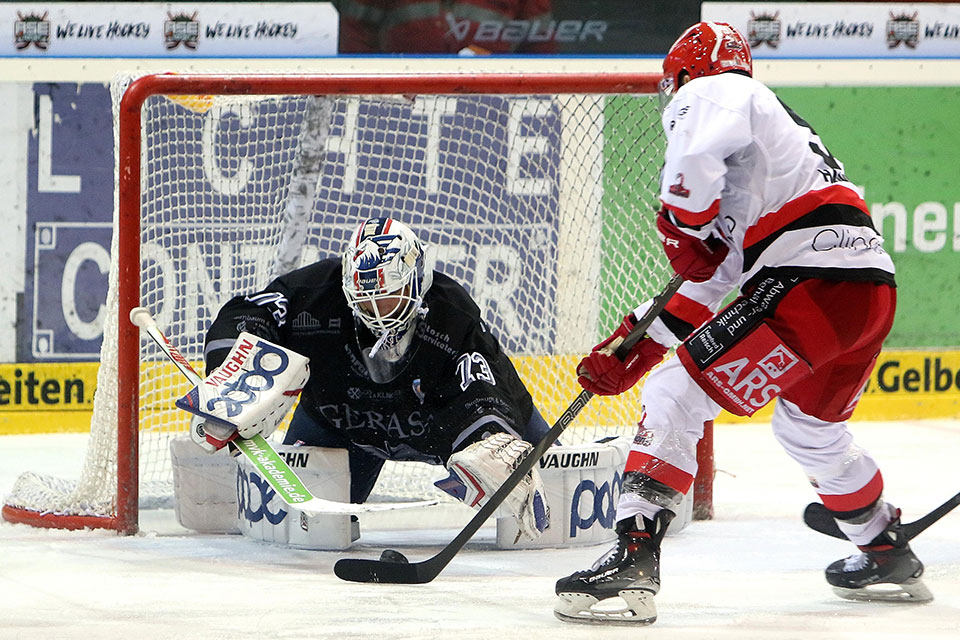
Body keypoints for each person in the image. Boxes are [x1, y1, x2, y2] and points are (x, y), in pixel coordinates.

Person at [553, 21, 929, 625]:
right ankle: (882, 546)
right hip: (866, 294)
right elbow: (714, 276)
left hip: (809, 283)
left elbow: (692, 184)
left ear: (685, 74)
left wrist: (681, 222)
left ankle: (632, 556)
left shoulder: (717, 90)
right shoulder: (765, 150)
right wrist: (636, 345)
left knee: (675, 394)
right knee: (810, 432)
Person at [197, 217, 550, 540]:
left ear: (416, 280)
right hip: (341, 426)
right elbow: (250, 312)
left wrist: (492, 439)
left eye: (390, 298)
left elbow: (484, 381)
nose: (379, 316)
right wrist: (232, 376)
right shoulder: (318, 293)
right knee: (308, 532)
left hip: (441, 429)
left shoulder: (452, 314)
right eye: (367, 303)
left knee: (553, 505)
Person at [337, 0, 556, 54]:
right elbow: (356, 29)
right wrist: (371, 90)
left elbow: (541, 41)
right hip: (403, 99)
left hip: (494, 99)